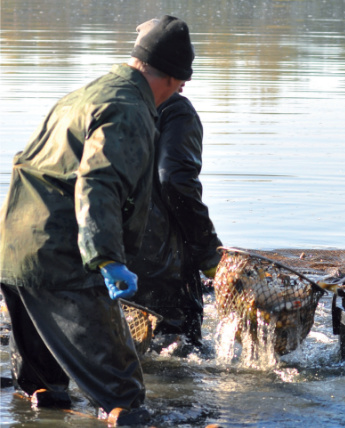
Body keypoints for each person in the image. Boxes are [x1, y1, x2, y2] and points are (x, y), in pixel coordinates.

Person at [0, 15, 194, 425]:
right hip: (62, 257)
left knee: (41, 389)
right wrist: (107, 258)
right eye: (178, 87)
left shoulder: (86, 93)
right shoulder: (130, 108)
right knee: (123, 396)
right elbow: (99, 182)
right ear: (173, 79)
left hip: (14, 249)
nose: (175, 94)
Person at [128, 19, 223, 351]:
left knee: (128, 352)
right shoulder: (178, 112)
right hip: (164, 266)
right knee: (182, 353)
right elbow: (176, 181)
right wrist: (208, 249)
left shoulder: (113, 103)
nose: (183, 85)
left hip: (114, 258)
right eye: (180, 75)